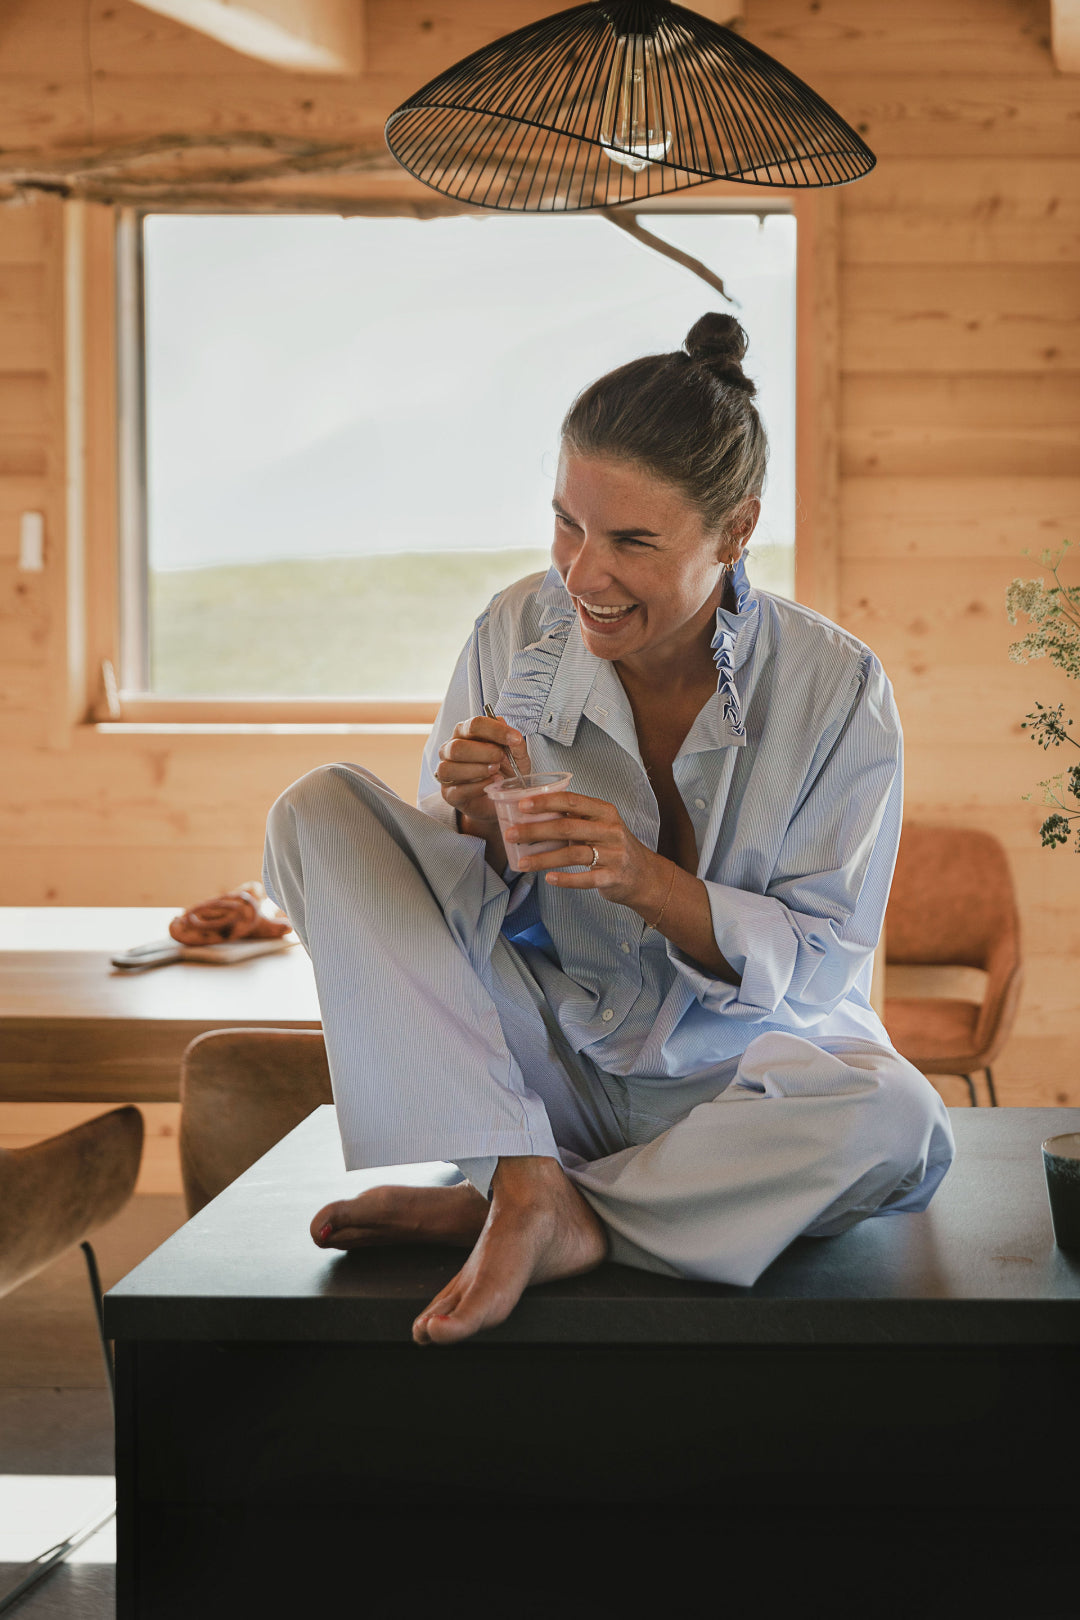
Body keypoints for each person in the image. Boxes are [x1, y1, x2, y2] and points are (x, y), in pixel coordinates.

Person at [263, 313, 954, 1348]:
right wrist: (470, 821)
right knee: (315, 809)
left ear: (735, 531)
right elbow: (447, 915)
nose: (584, 574)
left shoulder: (837, 689)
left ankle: (533, 1207)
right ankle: (529, 1181)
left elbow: (818, 972)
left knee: (894, 1122)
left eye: (632, 540)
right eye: (567, 524)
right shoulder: (513, 630)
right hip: (545, 1069)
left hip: (730, 1095)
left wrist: (643, 877)